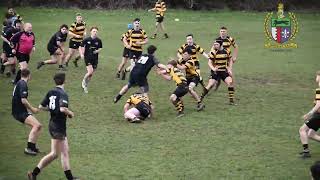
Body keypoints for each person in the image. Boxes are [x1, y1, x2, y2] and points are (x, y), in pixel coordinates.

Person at [27, 72, 79, 180]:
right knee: (59, 153)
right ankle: (34, 173)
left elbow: (41, 106)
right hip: (58, 126)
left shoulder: (51, 92)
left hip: (53, 124)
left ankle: (35, 174)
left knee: (60, 153)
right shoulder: (63, 94)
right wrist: (70, 113)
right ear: (64, 81)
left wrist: (52, 109)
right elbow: (62, 109)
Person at [11, 69, 42, 155]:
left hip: (20, 111)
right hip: (19, 112)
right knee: (36, 125)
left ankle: (33, 147)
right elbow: (23, 100)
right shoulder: (23, 84)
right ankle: (29, 148)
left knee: (38, 126)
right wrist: (32, 109)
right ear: (29, 75)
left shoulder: (20, 82)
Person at [200, 40, 236, 105]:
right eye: (214, 44)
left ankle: (231, 101)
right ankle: (200, 98)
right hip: (216, 72)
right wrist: (213, 69)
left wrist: (230, 69)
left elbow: (230, 60)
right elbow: (209, 62)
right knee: (210, 85)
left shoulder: (227, 51)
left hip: (224, 71)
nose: (214, 45)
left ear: (220, 45)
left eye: (216, 44)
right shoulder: (213, 52)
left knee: (230, 83)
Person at [299, 71, 320, 158]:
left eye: (317, 76)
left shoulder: (319, 90)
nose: (316, 78)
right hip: (318, 115)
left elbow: (319, 104)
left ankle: (306, 152)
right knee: (311, 134)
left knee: (302, 130)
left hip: (318, 115)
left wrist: (309, 113)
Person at [214, 26, 239, 90]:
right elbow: (213, 49)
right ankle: (217, 84)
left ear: (226, 32)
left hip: (227, 59)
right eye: (221, 31)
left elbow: (236, 47)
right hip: (219, 60)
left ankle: (231, 86)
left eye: (224, 31)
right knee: (218, 74)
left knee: (229, 72)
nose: (222, 33)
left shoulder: (230, 39)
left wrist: (234, 56)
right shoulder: (217, 40)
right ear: (219, 32)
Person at [80, 27, 103, 93]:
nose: (95, 33)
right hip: (87, 57)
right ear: (91, 32)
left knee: (91, 74)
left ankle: (85, 86)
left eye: (96, 31)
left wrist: (97, 51)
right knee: (90, 71)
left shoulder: (99, 40)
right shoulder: (86, 39)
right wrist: (81, 54)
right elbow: (80, 46)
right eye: (94, 31)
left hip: (95, 59)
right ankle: (83, 81)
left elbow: (100, 48)